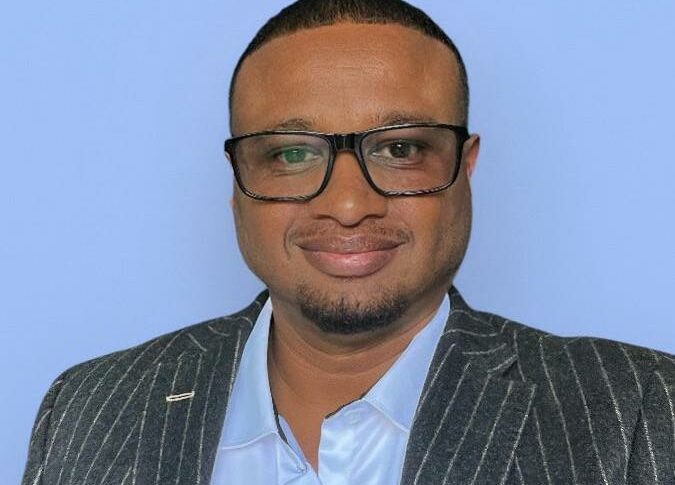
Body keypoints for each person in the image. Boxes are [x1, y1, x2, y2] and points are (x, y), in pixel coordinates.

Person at [22, 1, 674, 484]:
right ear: (237, 179)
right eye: (291, 153)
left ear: (465, 166)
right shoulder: (89, 407)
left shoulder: (644, 407)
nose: (348, 204)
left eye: (400, 149)